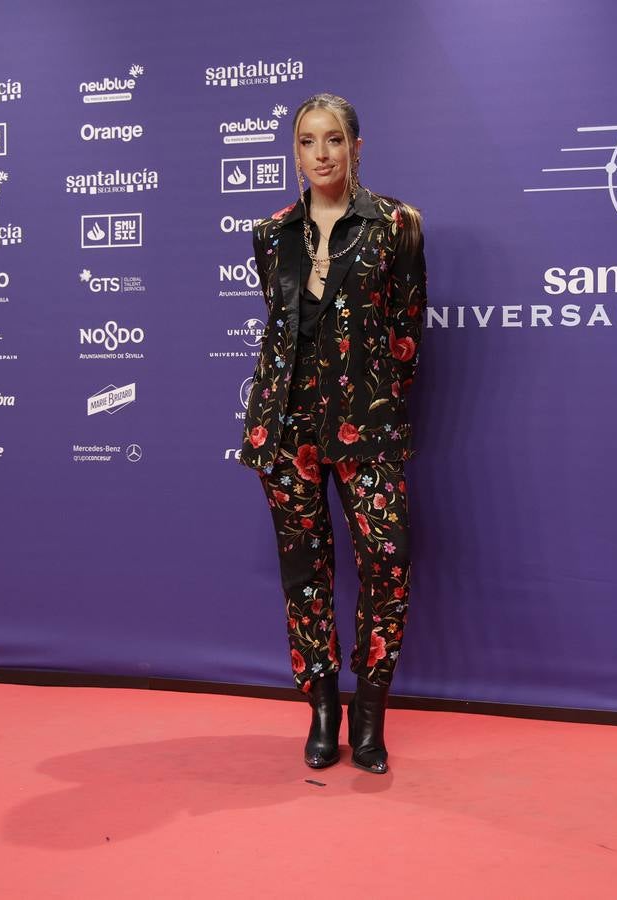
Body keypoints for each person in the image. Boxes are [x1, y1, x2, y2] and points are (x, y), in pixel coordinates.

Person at [238, 93, 426, 774]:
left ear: (355, 147)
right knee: (305, 575)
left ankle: (369, 714)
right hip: (286, 430)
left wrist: (374, 409)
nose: (321, 154)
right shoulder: (270, 233)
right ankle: (321, 709)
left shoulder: (396, 225)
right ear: (294, 152)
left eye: (334, 140)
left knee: (388, 562)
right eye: (307, 141)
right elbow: (282, 330)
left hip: (367, 426)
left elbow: (406, 335)